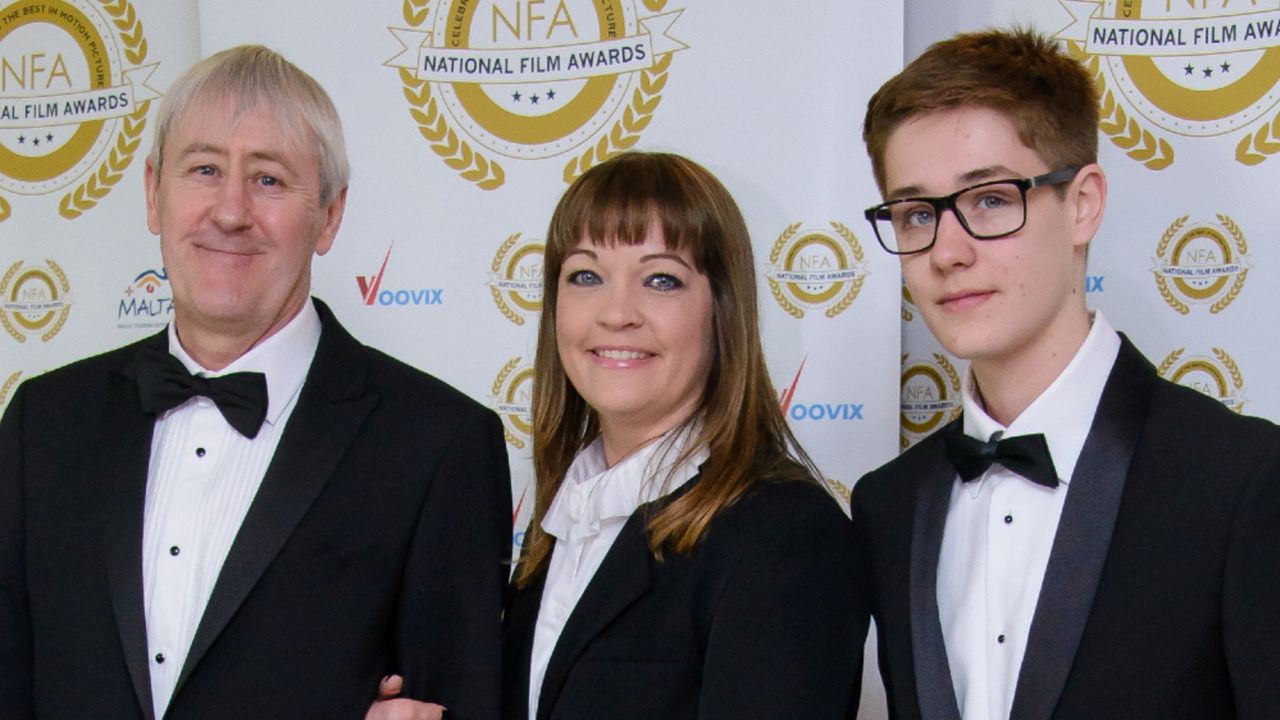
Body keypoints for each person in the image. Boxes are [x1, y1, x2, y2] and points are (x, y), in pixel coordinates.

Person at [0, 45, 510, 720]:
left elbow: (459, 704)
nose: (230, 210)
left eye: (268, 180)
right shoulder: (43, 421)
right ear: (154, 194)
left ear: (328, 215)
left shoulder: (438, 444)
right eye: (204, 170)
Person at [851, 27, 1280, 720]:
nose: (947, 251)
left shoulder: (1241, 478)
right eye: (916, 213)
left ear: (1082, 204)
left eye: (990, 199)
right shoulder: (888, 505)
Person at [506, 151, 864, 719]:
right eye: (586, 276)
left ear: (722, 311)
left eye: (661, 280)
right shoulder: (558, 526)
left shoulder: (787, 534)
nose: (616, 312)